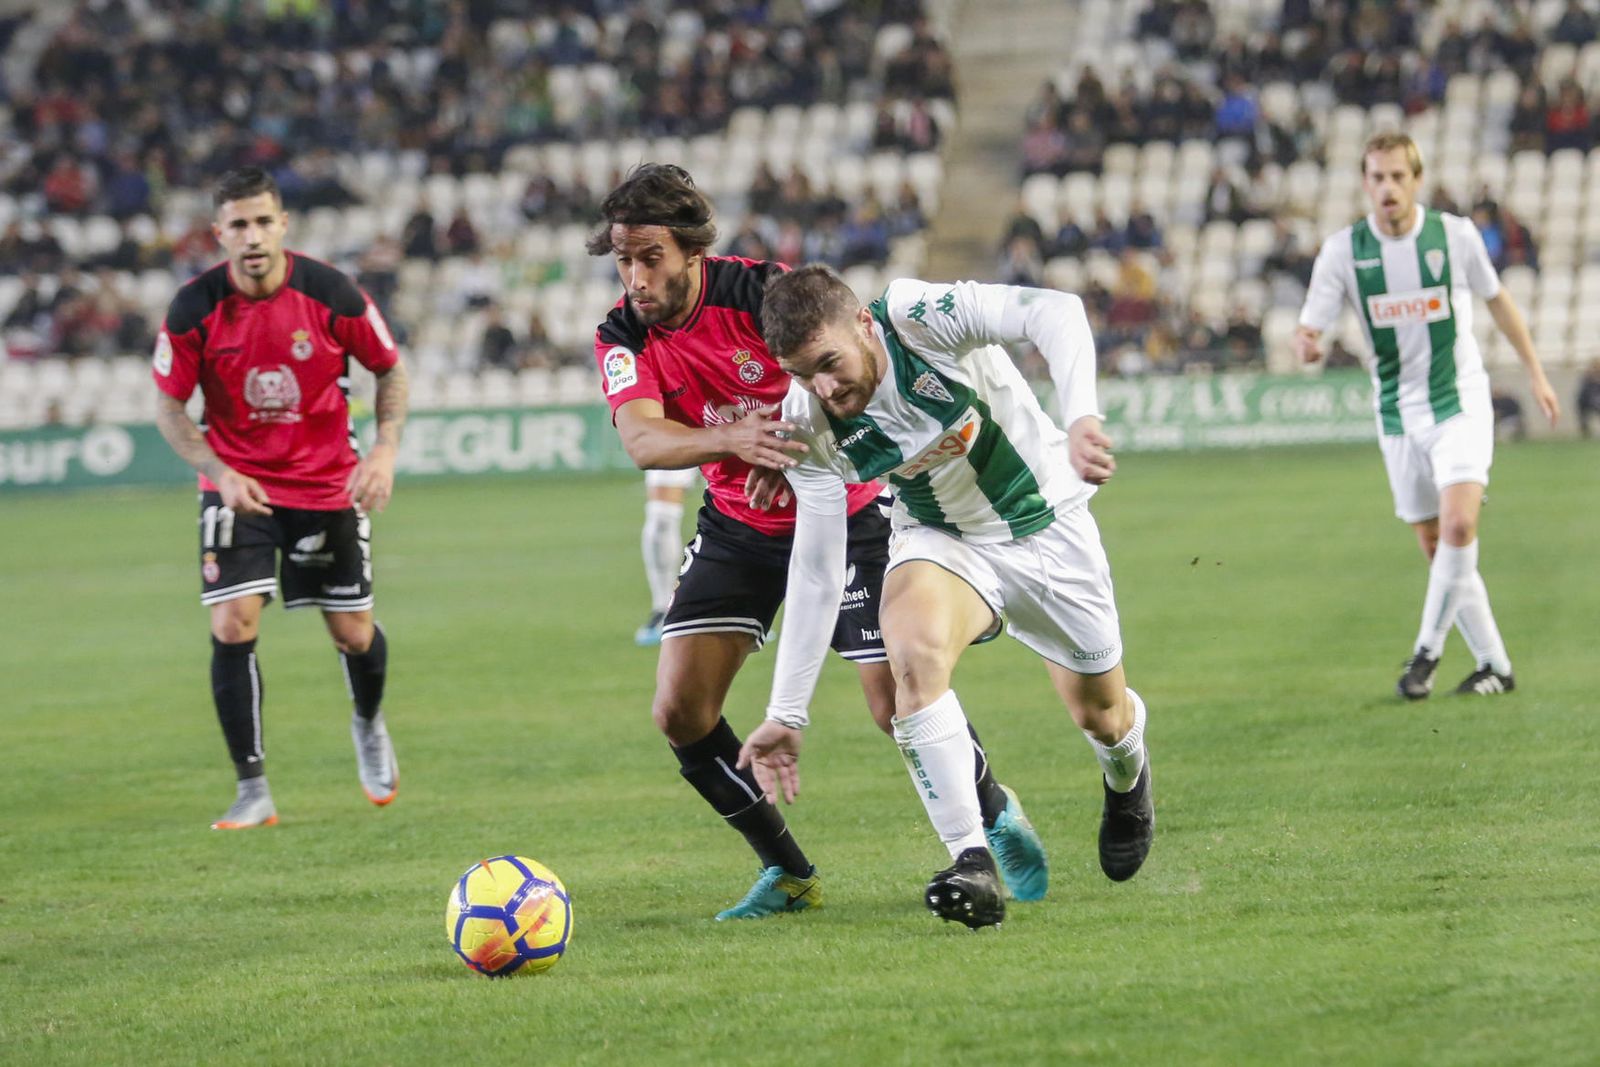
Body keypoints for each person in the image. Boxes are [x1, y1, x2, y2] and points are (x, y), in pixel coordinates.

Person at [587, 164, 1046, 920]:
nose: (634, 276)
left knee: (891, 698)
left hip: (854, 512)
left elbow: (849, 371)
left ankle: (995, 811)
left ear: (692, 249)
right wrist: (737, 437)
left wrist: (800, 452)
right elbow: (640, 437)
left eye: (650, 257)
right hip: (738, 524)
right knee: (678, 710)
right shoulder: (622, 333)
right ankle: (789, 872)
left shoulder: (764, 296)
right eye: (623, 259)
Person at [738, 264, 1154, 929]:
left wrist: (1081, 418)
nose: (823, 386)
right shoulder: (806, 418)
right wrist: (787, 710)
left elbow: (1057, 311)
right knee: (913, 654)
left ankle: (1127, 774)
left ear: (863, 325)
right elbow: (818, 566)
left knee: (1102, 714)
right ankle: (971, 859)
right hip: (943, 539)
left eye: (828, 362)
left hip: (1047, 522)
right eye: (800, 372)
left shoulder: (917, 317)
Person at [151, 166, 410, 829]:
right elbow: (169, 407)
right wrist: (217, 469)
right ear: (219, 234)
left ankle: (369, 721)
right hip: (238, 487)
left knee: (352, 633)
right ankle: (252, 787)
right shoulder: (195, 307)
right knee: (231, 623)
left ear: (283, 224)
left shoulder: (331, 292)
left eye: (263, 221)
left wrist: (382, 448)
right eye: (238, 224)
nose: (253, 235)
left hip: (327, 483)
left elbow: (389, 369)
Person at [1294, 133, 1559, 700]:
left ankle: (1425, 654)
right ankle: (1495, 664)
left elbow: (1498, 300)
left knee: (1461, 525)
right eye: (1377, 177)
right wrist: (1308, 344)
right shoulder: (1343, 251)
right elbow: (1309, 326)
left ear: (1415, 181)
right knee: (1441, 548)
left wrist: (1534, 371)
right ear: (1365, 183)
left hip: (1459, 401)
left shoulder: (1453, 235)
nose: (1387, 187)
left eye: (1397, 176)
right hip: (1395, 414)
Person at [633, 467, 697, 646]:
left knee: (742, 506)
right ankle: (664, 609)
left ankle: (750, 607)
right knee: (661, 519)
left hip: (736, 438)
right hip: (682, 437)